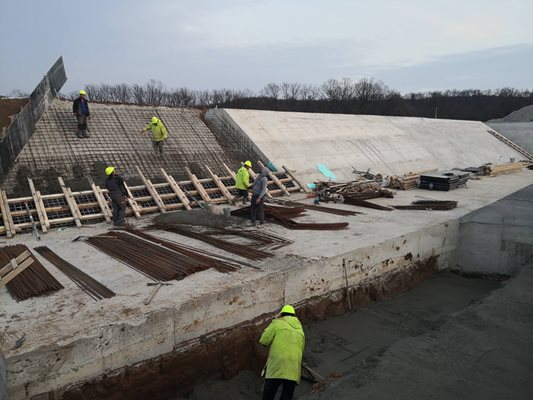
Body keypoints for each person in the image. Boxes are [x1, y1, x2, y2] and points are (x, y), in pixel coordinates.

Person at [259, 305, 305, 400]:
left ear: (282, 314)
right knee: (287, 395)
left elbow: (263, 341)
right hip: (293, 366)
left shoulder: (277, 323)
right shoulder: (300, 330)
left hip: (277, 364)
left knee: (269, 392)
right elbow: (301, 349)